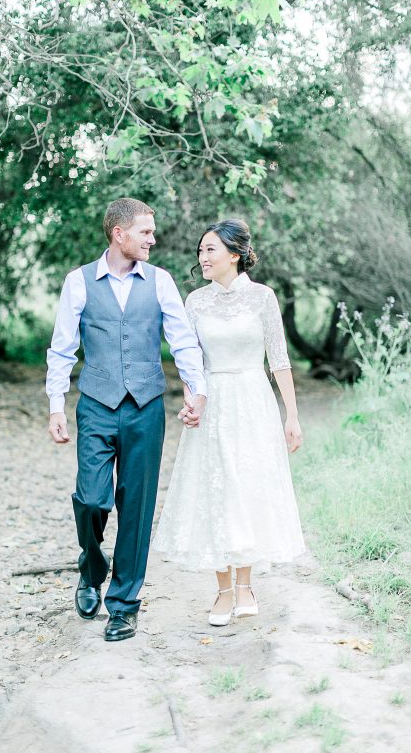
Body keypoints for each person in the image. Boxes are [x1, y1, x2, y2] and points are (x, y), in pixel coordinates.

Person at [46, 198, 206, 642]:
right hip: (95, 405)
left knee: (136, 507)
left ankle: (124, 606)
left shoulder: (161, 282)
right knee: (92, 500)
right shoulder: (78, 283)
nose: (153, 239)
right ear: (119, 234)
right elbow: (61, 349)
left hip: (146, 409)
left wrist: (197, 389)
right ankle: (90, 567)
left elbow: (183, 341)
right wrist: (56, 406)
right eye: (145, 232)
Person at [153, 219, 305, 626]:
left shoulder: (262, 298)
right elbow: (190, 363)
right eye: (200, 251)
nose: (202, 258)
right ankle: (222, 591)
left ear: (234, 255)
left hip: (253, 401)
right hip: (213, 401)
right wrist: (192, 401)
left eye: (210, 250)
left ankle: (246, 585)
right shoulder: (195, 302)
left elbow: (279, 359)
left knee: (247, 488)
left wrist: (291, 415)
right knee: (215, 488)